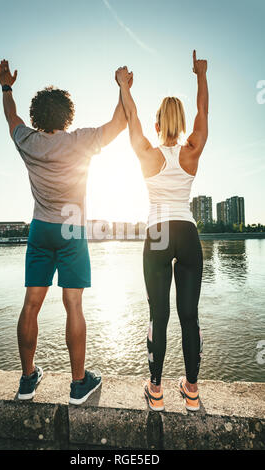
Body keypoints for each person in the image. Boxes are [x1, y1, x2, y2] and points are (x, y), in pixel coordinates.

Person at [0, 59, 132, 403]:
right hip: (72, 230)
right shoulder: (80, 141)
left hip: (41, 229)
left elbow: (11, 117)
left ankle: (27, 380)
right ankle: (77, 385)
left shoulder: (27, 140)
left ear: (38, 116)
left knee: (31, 304)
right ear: (67, 115)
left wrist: (6, 86)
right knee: (74, 304)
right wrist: (123, 87)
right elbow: (121, 122)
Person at [116, 50, 208, 412]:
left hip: (157, 234)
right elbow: (204, 111)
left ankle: (155, 390)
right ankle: (192, 390)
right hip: (186, 232)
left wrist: (125, 86)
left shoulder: (147, 153)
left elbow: (131, 117)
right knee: (190, 315)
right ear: (181, 122)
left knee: (159, 315)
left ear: (158, 125)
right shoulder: (192, 149)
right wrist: (201, 75)